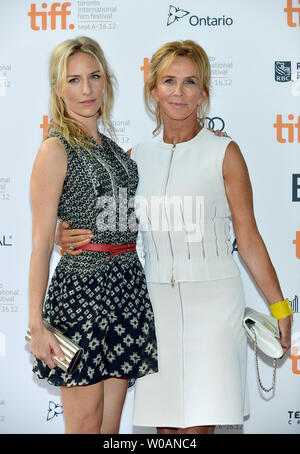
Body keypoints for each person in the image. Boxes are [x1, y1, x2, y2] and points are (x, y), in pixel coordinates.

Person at [56, 40, 292, 434]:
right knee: (165, 432)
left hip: (216, 308)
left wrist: (281, 309)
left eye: (190, 83)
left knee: (199, 428)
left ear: (204, 93)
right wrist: (60, 234)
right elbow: (103, 227)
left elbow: (248, 240)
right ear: (153, 91)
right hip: (154, 309)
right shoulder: (133, 158)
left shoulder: (225, 153)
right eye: (169, 81)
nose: (179, 93)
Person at [27, 36, 158, 435]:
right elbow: (38, 243)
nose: (86, 90)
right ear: (57, 89)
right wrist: (36, 324)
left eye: (94, 77)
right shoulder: (55, 148)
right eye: (74, 80)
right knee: (84, 425)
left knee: (109, 428)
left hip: (125, 289)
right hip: (81, 295)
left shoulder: (117, 151)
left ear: (107, 82)